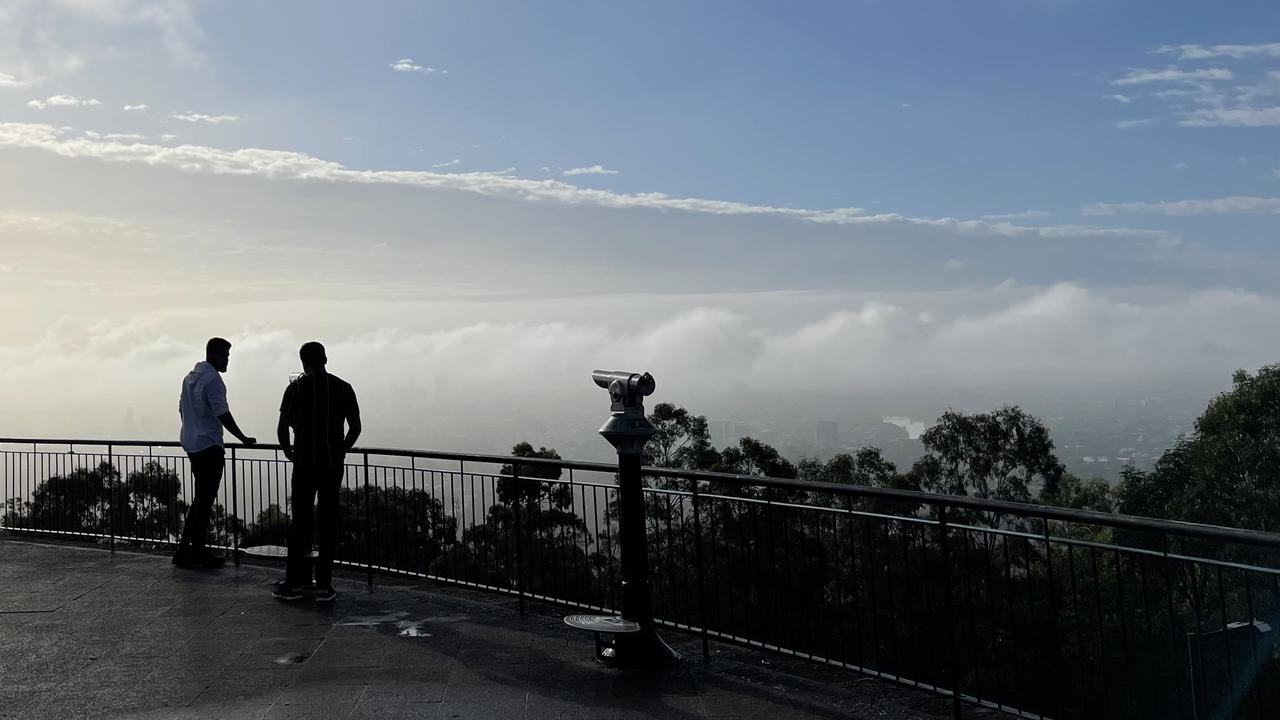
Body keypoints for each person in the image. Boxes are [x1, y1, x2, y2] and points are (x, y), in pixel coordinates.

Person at [274, 341, 361, 601]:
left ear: (303, 362)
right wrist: (341, 449)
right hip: (331, 465)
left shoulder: (295, 388)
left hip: (303, 464)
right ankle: (324, 583)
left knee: (300, 521)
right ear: (325, 358)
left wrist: (289, 451)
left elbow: (281, 427)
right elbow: (355, 427)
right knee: (327, 521)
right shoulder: (343, 388)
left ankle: (295, 581)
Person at [175, 337, 257, 569]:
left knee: (200, 501)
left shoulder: (190, 377)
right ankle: (197, 553)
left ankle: (184, 551)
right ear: (216, 355)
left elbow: (182, 407)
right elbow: (222, 412)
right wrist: (243, 438)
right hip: (209, 446)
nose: (228, 360)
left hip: (192, 443)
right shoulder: (213, 380)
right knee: (205, 502)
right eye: (226, 356)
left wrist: (192, 427)